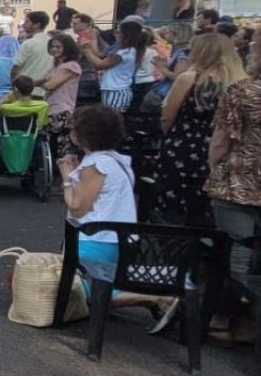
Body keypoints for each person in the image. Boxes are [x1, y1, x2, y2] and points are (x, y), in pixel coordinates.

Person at [58, 105, 174, 321]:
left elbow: (77, 207)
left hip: (95, 241)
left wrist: (66, 177)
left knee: (64, 287)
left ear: (81, 134)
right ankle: (144, 298)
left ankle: (150, 298)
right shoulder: (117, 161)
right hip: (119, 240)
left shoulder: (95, 165)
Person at [154, 34, 247, 226]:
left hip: (184, 145)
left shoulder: (188, 79)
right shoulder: (241, 83)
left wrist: (172, 135)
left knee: (176, 202)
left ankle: (175, 240)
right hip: (224, 148)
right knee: (207, 204)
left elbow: (167, 116)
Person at [206, 29, 261, 338]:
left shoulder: (242, 92)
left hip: (239, 181)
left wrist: (213, 170)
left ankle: (224, 319)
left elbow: (220, 143)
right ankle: (249, 323)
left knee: (235, 254)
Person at [80, 17, 146, 112]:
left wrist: (86, 50)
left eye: (119, 32)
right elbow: (102, 55)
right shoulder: (129, 50)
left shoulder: (124, 53)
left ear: (125, 35)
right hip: (114, 89)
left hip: (115, 91)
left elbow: (100, 65)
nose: (116, 34)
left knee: (111, 117)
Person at [40, 33, 82, 160]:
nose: (54, 49)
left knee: (63, 147)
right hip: (50, 108)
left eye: (58, 47)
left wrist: (45, 81)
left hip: (62, 110)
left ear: (67, 48)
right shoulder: (55, 67)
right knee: (52, 146)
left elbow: (50, 85)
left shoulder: (71, 66)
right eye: (52, 46)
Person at [144, 22, 194, 112]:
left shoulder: (183, 53)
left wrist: (161, 67)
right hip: (164, 91)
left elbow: (177, 76)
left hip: (165, 93)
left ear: (176, 35)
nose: (165, 36)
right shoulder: (179, 51)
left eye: (168, 33)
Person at [10, 11, 52, 93]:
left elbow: (16, 68)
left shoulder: (29, 43)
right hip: (44, 90)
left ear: (37, 24)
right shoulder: (52, 42)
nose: (24, 25)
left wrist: (14, 84)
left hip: (24, 91)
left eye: (27, 22)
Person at [130, 27, 159, 111]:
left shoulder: (133, 51)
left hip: (136, 81)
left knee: (134, 106)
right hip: (150, 80)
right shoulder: (153, 52)